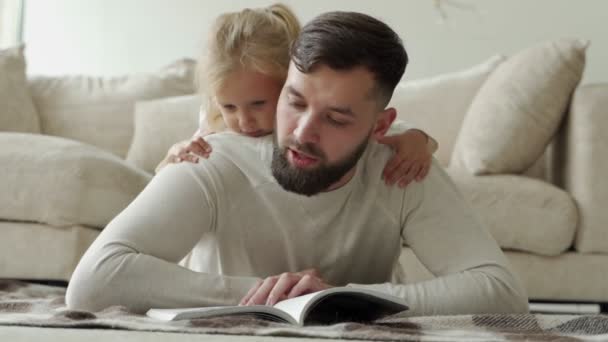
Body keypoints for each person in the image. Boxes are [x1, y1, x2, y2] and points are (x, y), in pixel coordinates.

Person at [66, 10, 528, 316]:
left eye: (338, 117)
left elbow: (502, 293)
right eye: (294, 101)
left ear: (380, 126)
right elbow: (91, 284)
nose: (303, 133)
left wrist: (339, 300)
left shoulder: (399, 166)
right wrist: (268, 298)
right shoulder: (213, 158)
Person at [154, 3, 438, 188]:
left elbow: (378, 132)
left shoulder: (316, 127)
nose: (244, 121)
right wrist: (171, 159)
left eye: (258, 104)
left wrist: (418, 140)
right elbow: (162, 188)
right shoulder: (214, 131)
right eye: (229, 106)